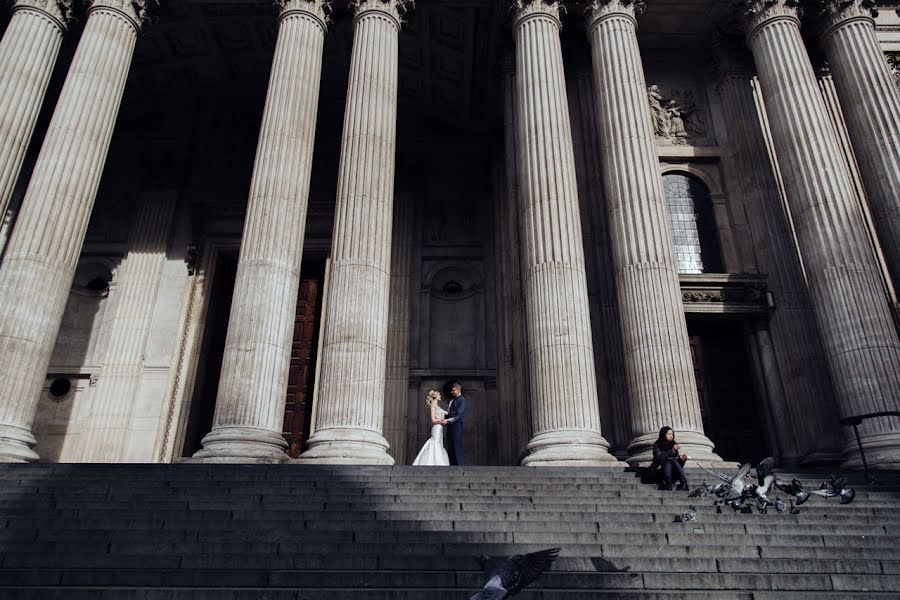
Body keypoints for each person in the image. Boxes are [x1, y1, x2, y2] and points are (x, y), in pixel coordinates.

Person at [412, 390, 450, 466]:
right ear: (435, 396)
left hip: (440, 428)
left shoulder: (438, 406)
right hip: (436, 428)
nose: (440, 396)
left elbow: (448, 414)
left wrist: (450, 404)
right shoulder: (432, 406)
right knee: (435, 444)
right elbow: (433, 420)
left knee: (439, 444)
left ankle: (438, 462)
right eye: (439, 395)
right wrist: (441, 420)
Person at [647, 426, 689, 490]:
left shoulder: (673, 444)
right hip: (661, 473)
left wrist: (682, 460)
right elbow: (659, 458)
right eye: (669, 434)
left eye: (672, 434)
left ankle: (670, 485)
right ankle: (683, 483)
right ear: (663, 435)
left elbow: (677, 463)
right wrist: (672, 451)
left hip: (673, 474)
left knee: (673, 460)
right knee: (669, 460)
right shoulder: (657, 445)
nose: (671, 436)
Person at [442, 382, 467, 466]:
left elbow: (459, 415)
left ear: (458, 389)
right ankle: (452, 465)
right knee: (450, 445)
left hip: (457, 425)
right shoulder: (452, 401)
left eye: (453, 390)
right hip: (450, 426)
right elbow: (449, 413)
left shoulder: (462, 400)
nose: (452, 392)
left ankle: (460, 466)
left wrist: (448, 420)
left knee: (456, 445)